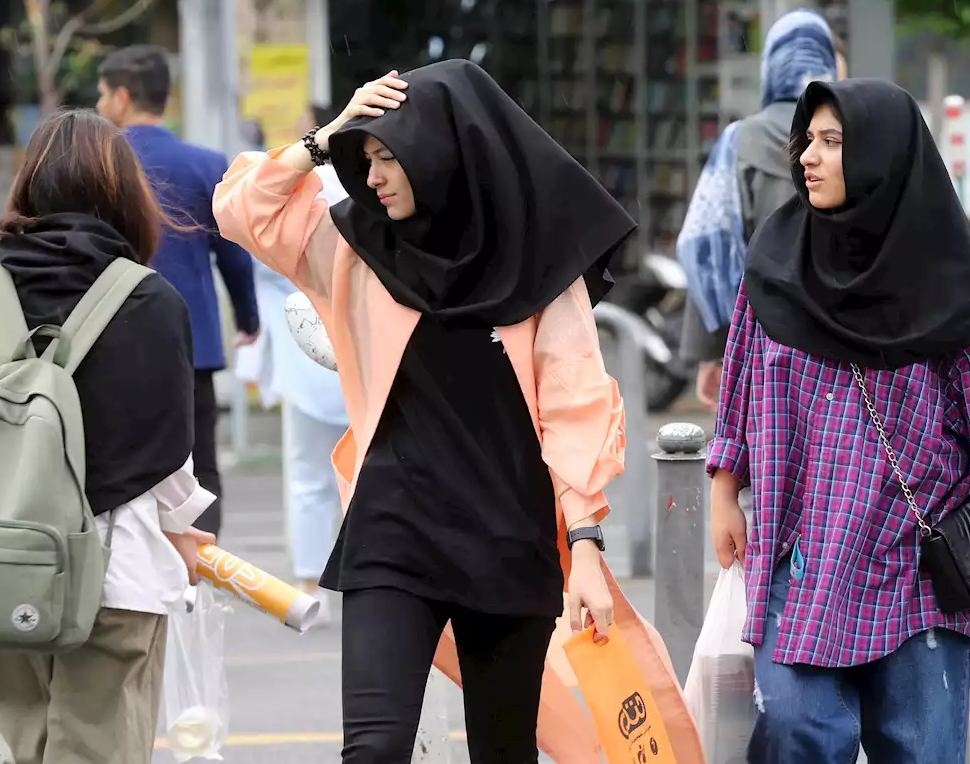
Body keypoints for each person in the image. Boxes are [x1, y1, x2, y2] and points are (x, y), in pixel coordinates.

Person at [214, 60, 703, 763]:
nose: (373, 176)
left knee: (504, 753)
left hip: (511, 534)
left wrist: (589, 542)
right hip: (393, 534)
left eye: (389, 158)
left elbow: (576, 401)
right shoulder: (354, 246)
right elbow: (241, 210)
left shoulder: (533, 265)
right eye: (368, 158)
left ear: (440, 154)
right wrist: (326, 139)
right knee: (374, 750)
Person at [707, 78, 970, 763]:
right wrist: (726, 486)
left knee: (922, 749)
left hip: (913, 566)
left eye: (832, 142)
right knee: (796, 729)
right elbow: (743, 378)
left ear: (881, 157)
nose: (808, 155)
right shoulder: (777, 261)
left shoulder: (949, 274)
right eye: (808, 139)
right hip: (800, 552)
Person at [0, 109, 216, 764]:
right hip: (116, 574)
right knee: (100, 748)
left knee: (27, 746)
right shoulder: (149, 300)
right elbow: (168, 457)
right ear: (124, 192)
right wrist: (184, 530)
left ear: (28, 187)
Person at [97, 44, 259, 537]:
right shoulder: (206, 165)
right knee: (199, 467)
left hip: (113, 342)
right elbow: (235, 254)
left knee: (122, 461)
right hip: (194, 345)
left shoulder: (100, 162)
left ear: (122, 97)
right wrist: (248, 320)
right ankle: (202, 572)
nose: (101, 106)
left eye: (103, 95)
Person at [677, 9, 838, 411]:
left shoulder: (738, 141)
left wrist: (713, 354)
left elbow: (708, 245)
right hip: (845, 347)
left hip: (761, 350)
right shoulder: (852, 134)